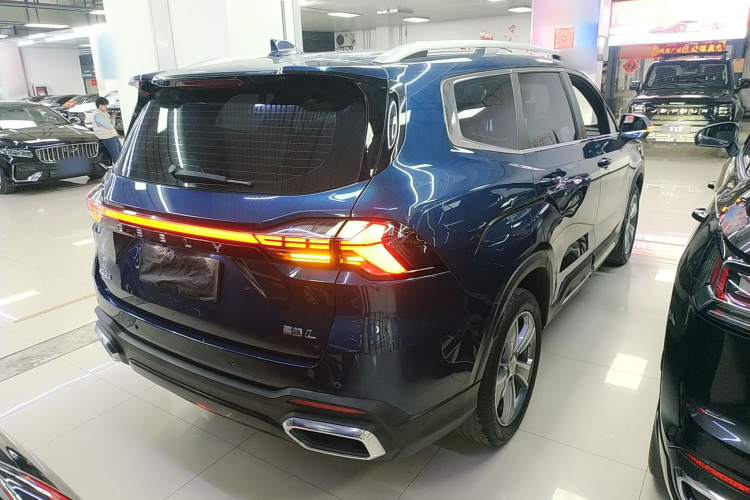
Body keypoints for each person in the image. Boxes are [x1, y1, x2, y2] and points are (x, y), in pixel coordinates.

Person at [92, 96, 121, 163]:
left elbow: (112, 125)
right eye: (105, 105)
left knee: (121, 153)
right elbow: (109, 126)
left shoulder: (103, 113)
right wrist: (111, 122)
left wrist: (113, 119)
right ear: (100, 105)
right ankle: (118, 168)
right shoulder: (98, 115)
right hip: (108, 138)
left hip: (112, 136)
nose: (106, 107)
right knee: (116, 155)